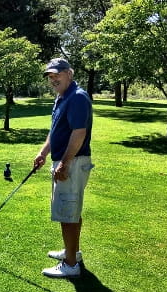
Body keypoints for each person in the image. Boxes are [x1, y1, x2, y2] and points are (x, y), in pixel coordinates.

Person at [34, 58, 94, 278]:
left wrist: (64, 163)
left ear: (69, 73)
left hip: (73, 162)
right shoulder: (62, 97)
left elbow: (79, 134)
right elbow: (56, 130)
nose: (53, 79)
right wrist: (43, 152)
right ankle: (72, 252)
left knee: (68, 211)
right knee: (70, 210)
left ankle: (70, 265)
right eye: (50, 76)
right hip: (65, 160)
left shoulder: (77, 97)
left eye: (56, 74)